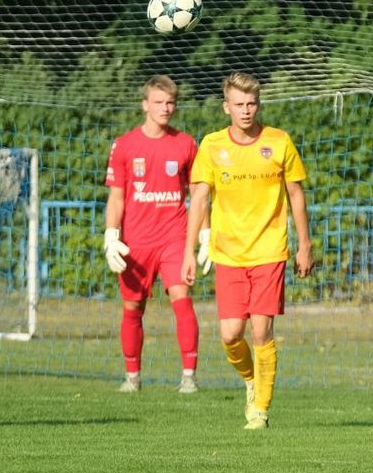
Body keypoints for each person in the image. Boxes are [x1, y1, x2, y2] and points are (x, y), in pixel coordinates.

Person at [182, 72, 313, 430]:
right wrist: (189, 252)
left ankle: (260, 410)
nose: (246, 110)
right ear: (226, 107)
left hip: (270, 251)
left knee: (261, 332)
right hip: (228, 254)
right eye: (238, 104)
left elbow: (296, 196)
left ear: (259, 104)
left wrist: (304, 245)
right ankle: (252, 381)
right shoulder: (211, 145)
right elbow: (199, 199)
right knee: (230, 334)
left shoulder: (279, 142)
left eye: (251, 103)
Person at [103, 75, 205, 395]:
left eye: (170, 102)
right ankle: (132, 376)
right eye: (159, 102)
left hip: (175, 237)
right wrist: (110, 235)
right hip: (136, 241)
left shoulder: (186, 144)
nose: (166, 108)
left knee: (182, 298)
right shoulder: (124, 145)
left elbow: (199, 193)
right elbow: (117, 197)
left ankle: (188, 375)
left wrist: (204, 233)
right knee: (133, 307)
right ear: (145, 105)